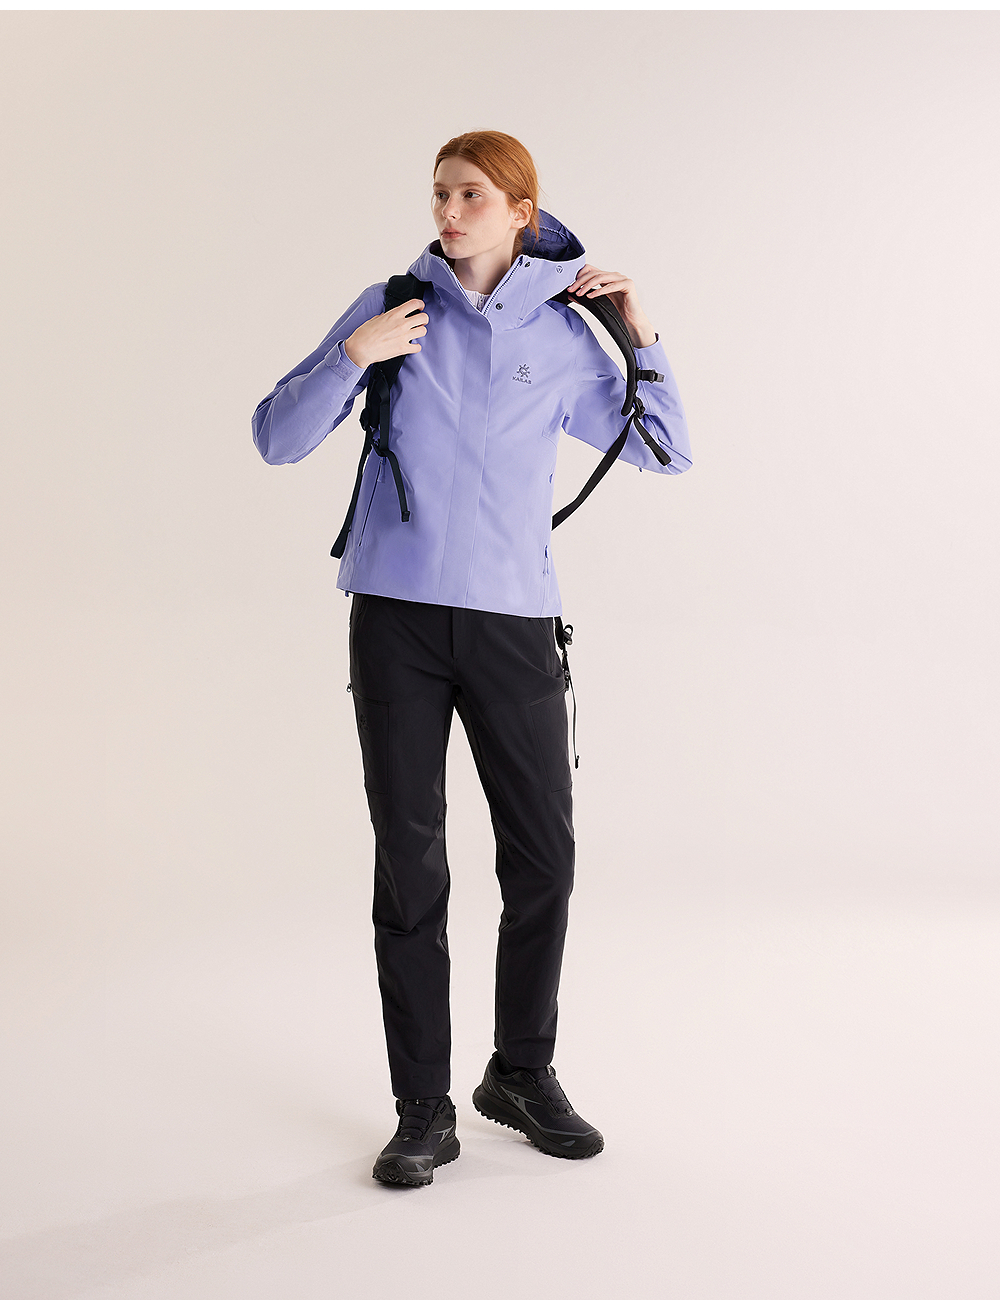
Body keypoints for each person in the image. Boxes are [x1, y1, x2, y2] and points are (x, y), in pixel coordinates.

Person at [252, 130, 692, 1187]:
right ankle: (423, 1108)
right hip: (395, 621)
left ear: (520, 212)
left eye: (472, 197)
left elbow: (666, 447)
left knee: (543, 861)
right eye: (440, 194)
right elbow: (274, 437)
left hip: (513, 624)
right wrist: (352, 356)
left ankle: (520, 1072)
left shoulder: (566, 332)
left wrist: (640, 333)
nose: (448, 214)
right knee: (411, 869)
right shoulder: (392, 305)